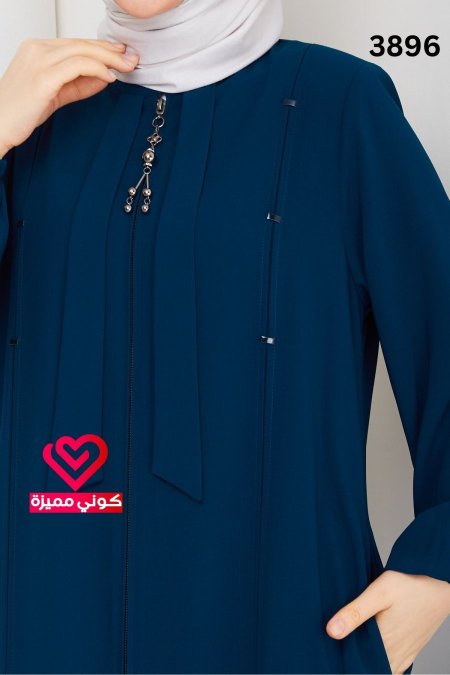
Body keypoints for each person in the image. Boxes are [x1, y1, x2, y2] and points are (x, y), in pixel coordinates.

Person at [0, 0, 449, 673]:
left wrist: (436, 573)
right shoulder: (34, 114)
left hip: (282, 633)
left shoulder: (340, 106)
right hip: (45, 628)